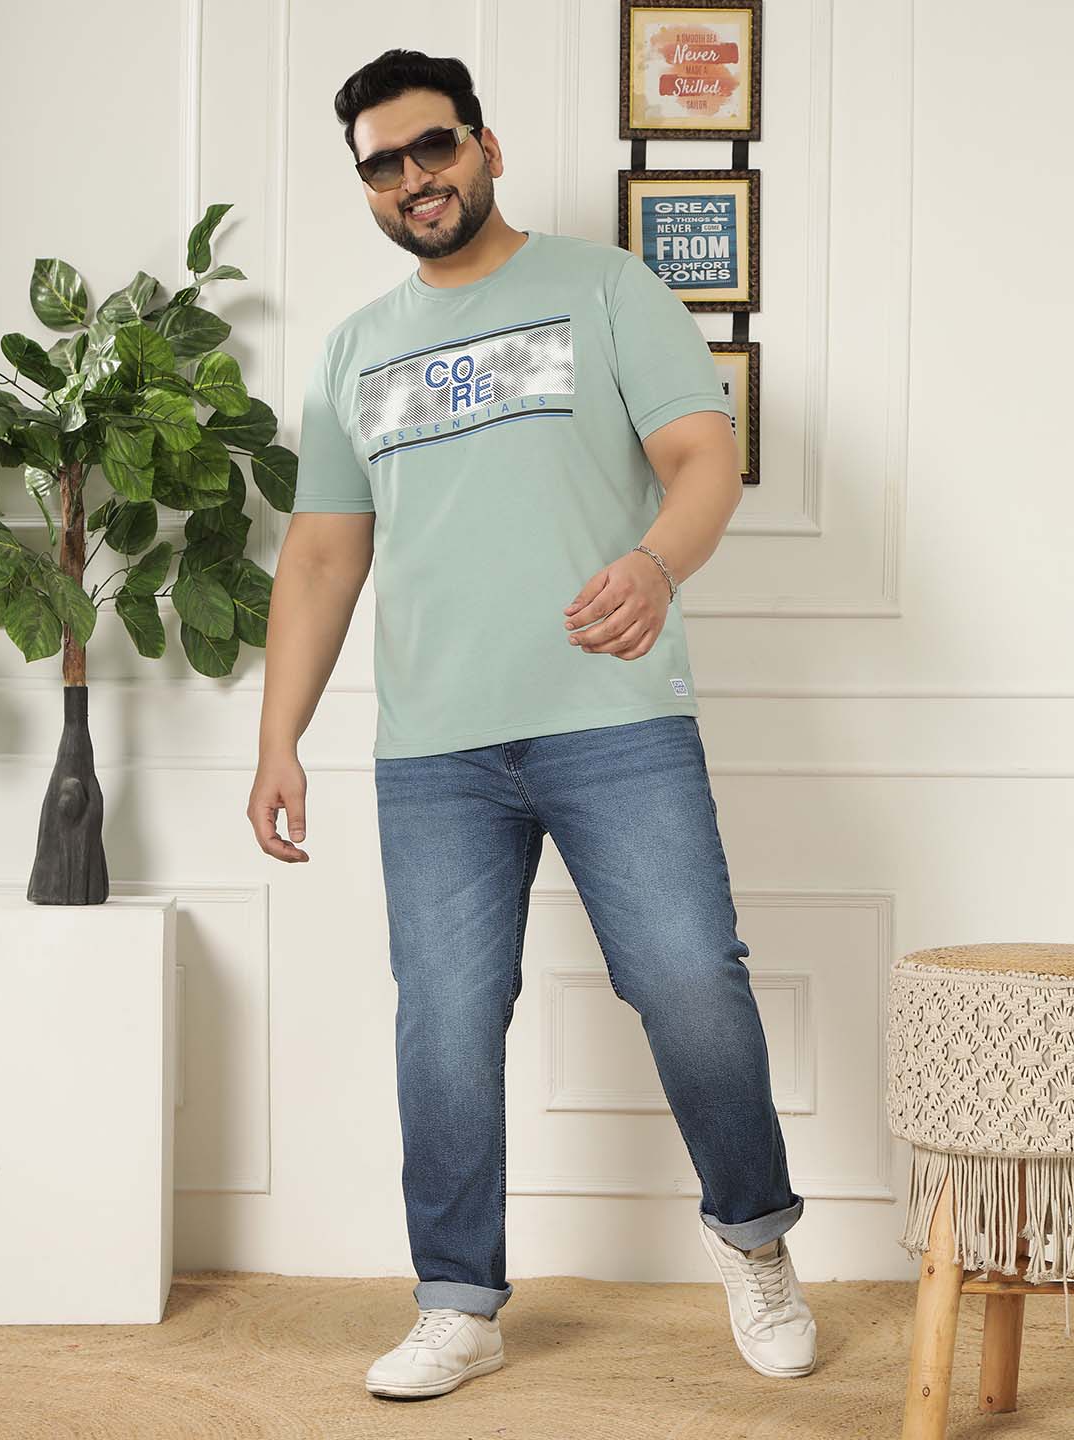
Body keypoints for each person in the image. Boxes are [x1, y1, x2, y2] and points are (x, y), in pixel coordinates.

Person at [248, 46, 816, 1402]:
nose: (413, 177)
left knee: (689, 981)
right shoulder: (354, 350)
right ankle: (458, 1303)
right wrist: (278, 740)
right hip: (434, 753)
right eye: (382, 165)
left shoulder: (606, 289)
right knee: (445, 1023)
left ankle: (756, 1242)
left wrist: (657, 565)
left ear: (484, 147)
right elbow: (322, 557)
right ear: (366, 187)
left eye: (432, 146)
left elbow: (703, 457)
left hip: (611, 719)